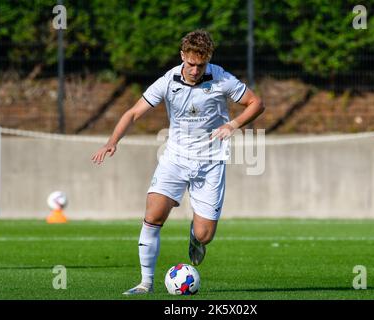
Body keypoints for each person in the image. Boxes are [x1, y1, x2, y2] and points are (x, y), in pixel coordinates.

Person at [91, 29, 264, 295]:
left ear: (208, 60)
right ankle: (144, 283)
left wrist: (233, 124)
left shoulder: (221, 78)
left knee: (205, 234)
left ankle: (196, 237)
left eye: (201, 64)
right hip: (175, 158)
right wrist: (112, 142)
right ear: (183, 56)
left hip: (210, 161)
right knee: (153, 217)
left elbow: (256, 103)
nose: (195, 70)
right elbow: (134, 112)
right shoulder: (167, 81)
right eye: (191, 64)